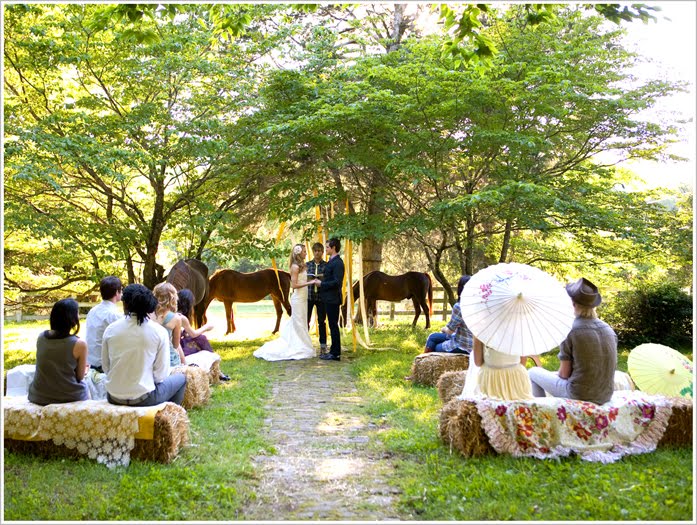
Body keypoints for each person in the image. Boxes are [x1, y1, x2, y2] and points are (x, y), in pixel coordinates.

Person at [528, 277, 617, 405]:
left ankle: (542, 410)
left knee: (533, 372)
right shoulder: (608, 330)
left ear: (573, 304)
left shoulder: (570, 330)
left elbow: (564, 374)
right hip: (605, 395)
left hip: (578, 394)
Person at [102, 284, 186, 406]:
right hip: (144, 398)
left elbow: (106, 367)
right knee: (182, 378)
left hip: (113, 396)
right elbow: (160, 375)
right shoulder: (158, 332)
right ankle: (168, 415)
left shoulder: (111, 329)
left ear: (125, 304)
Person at [253, 244, 321, 361]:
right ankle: (298, 345)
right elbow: (294, 285)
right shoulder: (295, 267)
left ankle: (302, 344)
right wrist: (310, 283)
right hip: (298, 298)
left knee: (302, 322)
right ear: (299, 253)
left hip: (303, 298)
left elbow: (302, 279)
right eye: (304, 251)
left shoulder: (303, 266)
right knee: (298, 322)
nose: (306, 253)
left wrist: (312, 279)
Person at [28, 298, 90, 405]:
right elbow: (80, 377)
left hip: (38, 395)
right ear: (72, 319)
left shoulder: (41, 337)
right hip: (69, 396)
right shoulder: (80, 344)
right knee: (87, 387)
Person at [177, 288, 230, 381]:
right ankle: (216, 370)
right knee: (201, 338)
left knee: (199, 339)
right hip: (177, 350)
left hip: (178, 345)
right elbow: (193, 334)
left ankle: (216, 370)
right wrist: (206, 327)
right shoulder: (181, 317)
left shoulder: (176, 315)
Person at [424, 275, 473, 354]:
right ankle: (421, 361)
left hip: (462, 345)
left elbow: (450, 331)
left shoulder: (460, 306)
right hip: (473, 344)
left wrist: (443, 329)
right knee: (433, 337)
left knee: (436, 347)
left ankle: (423, 362)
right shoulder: (479, 306)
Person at [85, 276, 123, 372]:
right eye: (121, 290)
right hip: (103, 365)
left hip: (89, 360)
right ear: (116, 292)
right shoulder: (114, 315)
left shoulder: (92, 311)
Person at [318, 238, 345, 361]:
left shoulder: (338, 263)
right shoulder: (331, 261)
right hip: (328, 298)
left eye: (327, 247)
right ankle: (333, 351)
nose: (326, 249)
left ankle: (335, 354)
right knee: (332, 324)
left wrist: (322, 284)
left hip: (333, 299)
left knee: (333, 325)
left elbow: (337, 282)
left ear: (334, 248)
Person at [152, 282, 188, 367]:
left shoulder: (148, 314)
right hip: (168, 359)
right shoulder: (176, 319)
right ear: (173, 298)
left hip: (151, 357)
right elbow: (175, 345)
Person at [306, 242, 328, 355]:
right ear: (313, 252)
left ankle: (323, 345)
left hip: (321, 297)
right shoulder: (307, 265)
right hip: (309, 296)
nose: (317, 253)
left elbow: (329, 281)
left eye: (319, 251)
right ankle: (305, 344)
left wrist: (321, 280)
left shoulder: (326, 265)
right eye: (315, 251)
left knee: (321, 321)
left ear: (322, 252)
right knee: (306, 321)